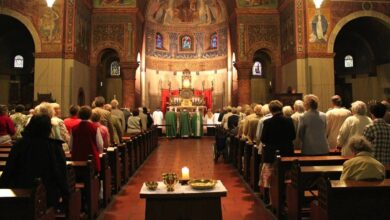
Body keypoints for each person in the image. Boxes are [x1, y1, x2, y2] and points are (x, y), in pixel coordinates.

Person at [0, 114, 69, 208]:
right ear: (48, 128)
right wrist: (66, 194)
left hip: (21, 192)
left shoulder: (19, 145)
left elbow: (9, 168)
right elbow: (61, 173)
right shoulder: (54, 146)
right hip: (48, 195)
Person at [260, 100, 295, 205]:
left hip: (271, 154)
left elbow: (263, 139)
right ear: (281, 108)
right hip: (287, 152)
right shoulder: (289, 120)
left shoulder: (267, 122)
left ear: (270, 110)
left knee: (270, 177)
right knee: (286, 176)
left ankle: (271, 200)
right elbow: (293, 136)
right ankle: (285, 199)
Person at [70, 106, 103, 172]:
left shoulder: (74, 128)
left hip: (77, 159)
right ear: (90, 115)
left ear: (79, 115)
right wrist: (99, 153)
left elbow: (71, 144)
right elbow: (100, 144)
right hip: (92, 158)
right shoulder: (95, 128)